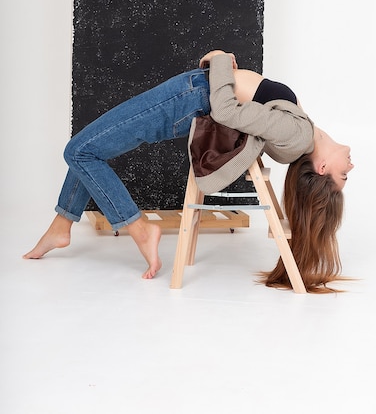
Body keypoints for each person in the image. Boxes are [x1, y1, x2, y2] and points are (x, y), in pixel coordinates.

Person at [24, 50, 354, 292]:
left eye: (344, 176)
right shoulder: (302, 131)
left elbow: (225, 109)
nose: (351, 166)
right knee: (91, 146)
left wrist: (221, 59)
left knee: (79, 151)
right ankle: (61, 225)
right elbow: (247, 107)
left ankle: (139, 228)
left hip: (188, 98)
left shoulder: (297, 137)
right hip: (191, 95)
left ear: (322, 168)